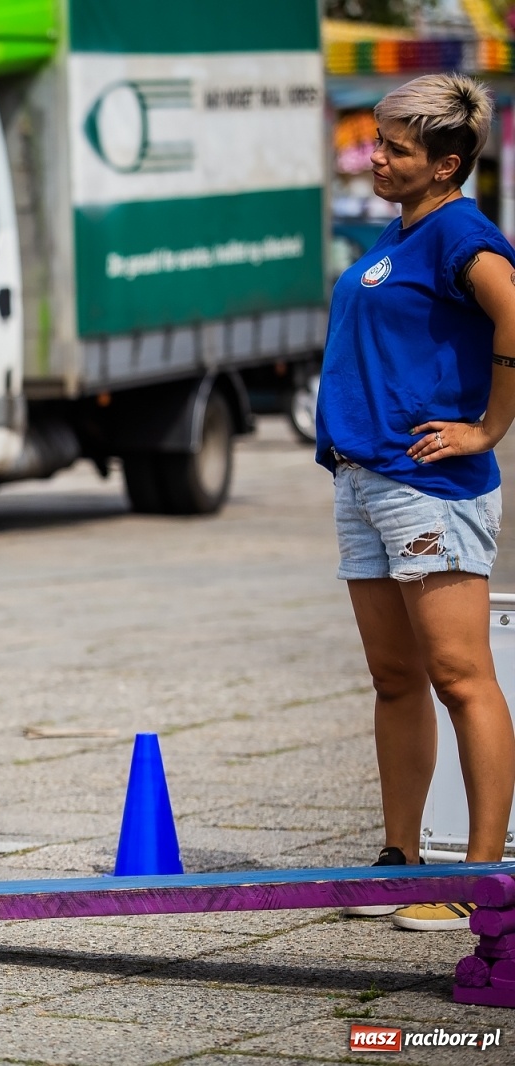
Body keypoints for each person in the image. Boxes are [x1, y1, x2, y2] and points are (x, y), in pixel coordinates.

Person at [316, 73, 515, 931]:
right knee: (395, 680)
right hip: (366, 482)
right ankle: (401, 858)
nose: (376, 157)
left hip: (427, 487)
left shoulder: (464, 235)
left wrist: (489, 427)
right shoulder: (403, 234)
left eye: (395, 147)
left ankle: (476, 876)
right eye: (378, 140)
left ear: (447, 164)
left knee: (461, 678)